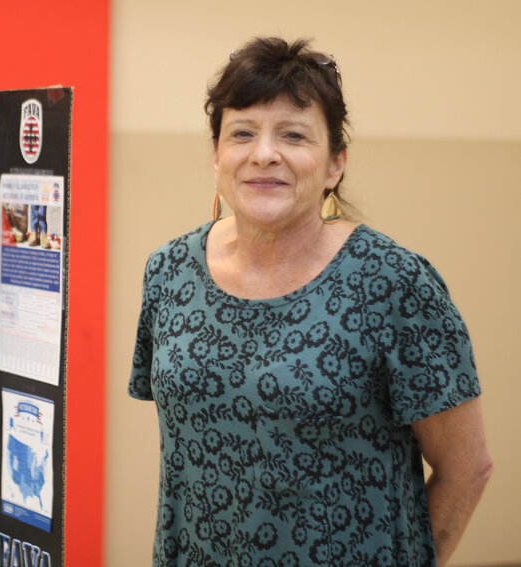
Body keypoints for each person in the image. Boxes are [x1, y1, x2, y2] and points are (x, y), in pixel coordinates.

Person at [128, 37, 492, 567]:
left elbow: (468, 466)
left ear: (334, 164)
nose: (264, 153)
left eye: (294, 135)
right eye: (242, 133)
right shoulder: (169, 272)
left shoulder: (393, 284)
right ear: (216, 156)